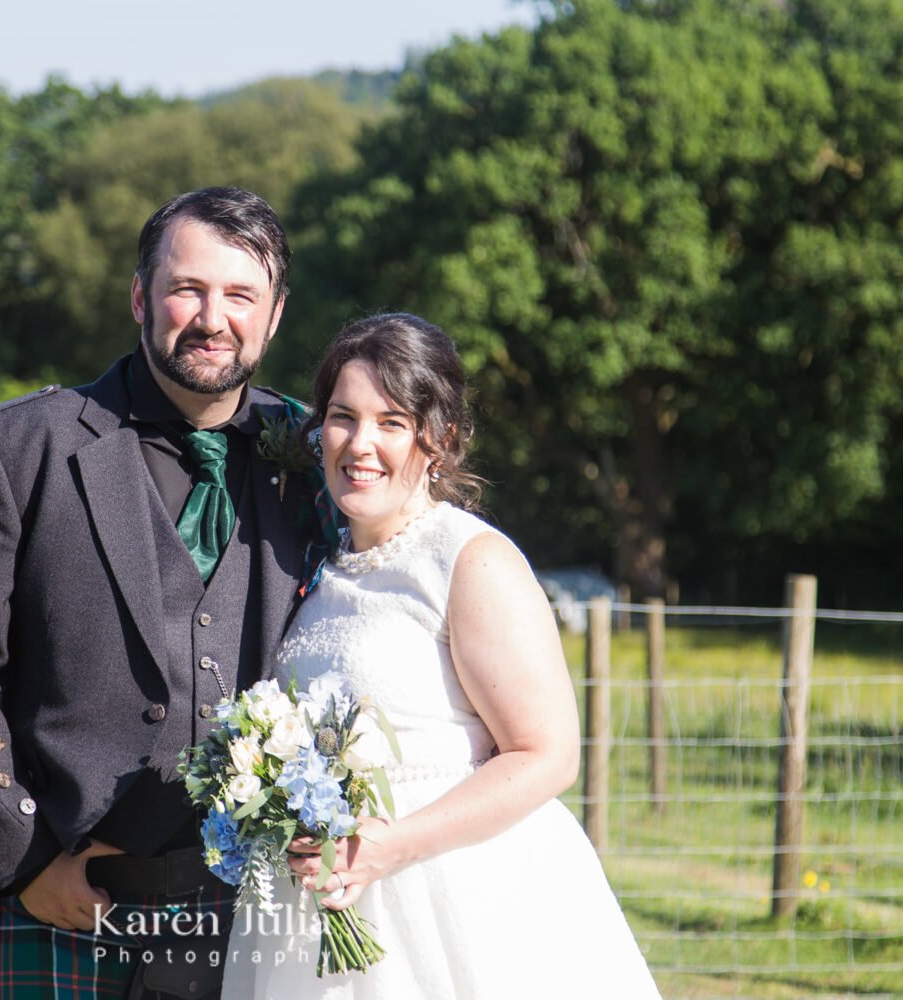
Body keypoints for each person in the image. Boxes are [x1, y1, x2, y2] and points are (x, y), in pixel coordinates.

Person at [0, 187, 321, 999]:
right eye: (187, 289)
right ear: (141, 296)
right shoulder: (19, 447)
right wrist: (24, 862)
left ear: (273, 316)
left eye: (240, 295)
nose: (212, 317)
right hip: (66, 901)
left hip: (260, 915)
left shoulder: (316, 456)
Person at [221, 313, 660, 998]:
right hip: (315, 911)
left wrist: (389, 845)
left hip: (455, 897)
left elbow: (546, 754)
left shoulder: (469, 561)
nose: (360, 444)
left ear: (441, 440)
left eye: (392, 422)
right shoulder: (320, 569)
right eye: (342, 417)